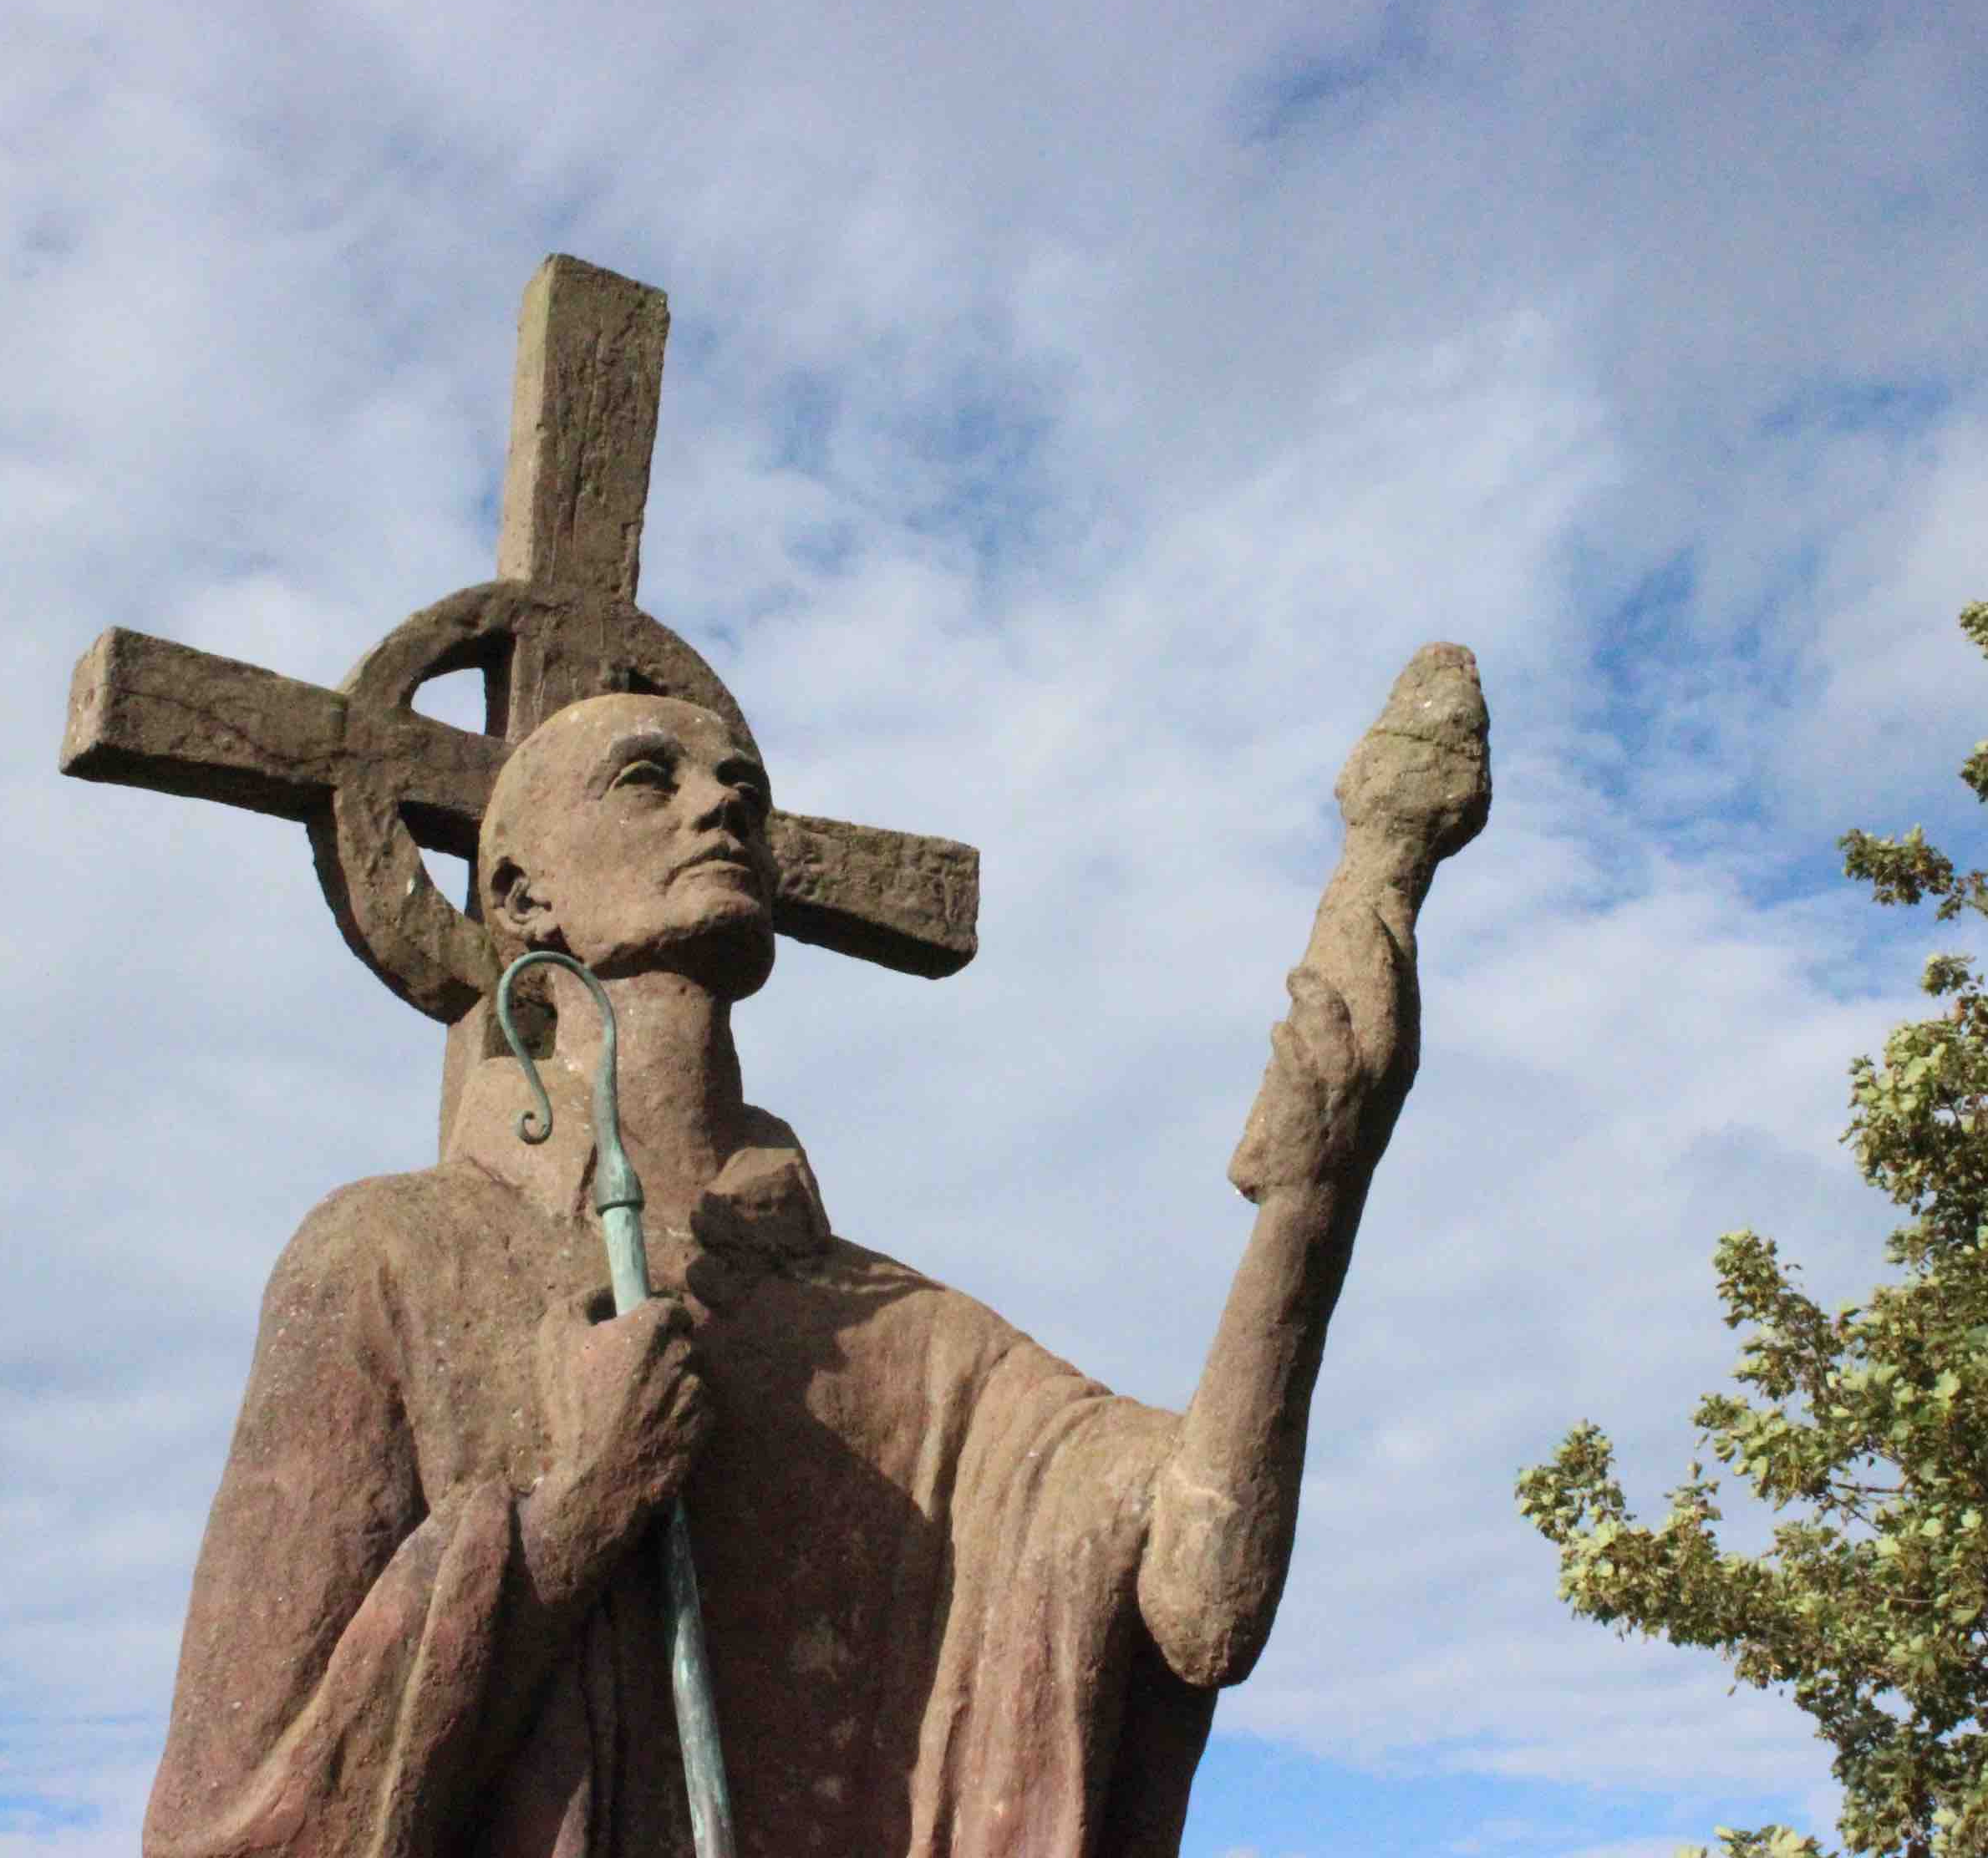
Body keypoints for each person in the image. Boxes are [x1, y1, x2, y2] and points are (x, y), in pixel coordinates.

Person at [143, 647, 1490, 1858]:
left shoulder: (907, 1339)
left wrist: (1311, 1204)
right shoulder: (384, 1263)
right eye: (646, 780)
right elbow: (236, 1816)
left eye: (742, 785)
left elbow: (1202, 1599)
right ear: (517, 889)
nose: (717, 803)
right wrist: (568, 1529)